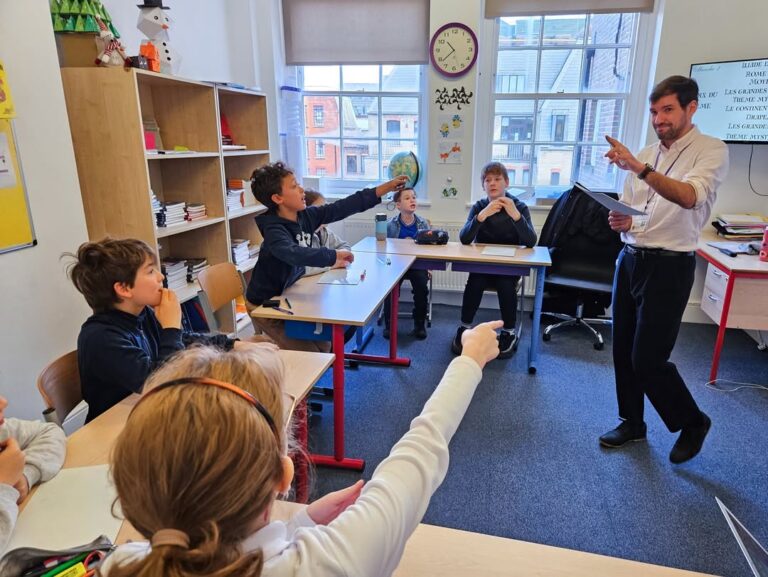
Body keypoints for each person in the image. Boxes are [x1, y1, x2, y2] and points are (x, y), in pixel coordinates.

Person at [99, 320, 501, 577]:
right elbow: (422, 448)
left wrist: (301, 523)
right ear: (283, 475)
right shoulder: (334, 561)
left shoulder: (118, 564)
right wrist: (471, 357)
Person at [600, 75, 729, 464]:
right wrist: (621, 221)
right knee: (623, 349)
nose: (659, 119)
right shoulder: (646, 152)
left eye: (667, 110)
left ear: (691, 108)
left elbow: (689, 197)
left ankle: (692, 422)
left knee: (648, 359)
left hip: (669, 267)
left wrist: (639, 169)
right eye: (654, 111)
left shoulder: (711, 150)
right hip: (631, 260)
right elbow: (635, 211)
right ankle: (632, 422)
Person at [67, 238, 250, 422]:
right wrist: (170, 327)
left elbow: (184, 340)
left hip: (149, 412)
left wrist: (231, 344)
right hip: (114, 429)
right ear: (123, 288)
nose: (160, 277)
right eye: (150, 271)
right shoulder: (101, 338)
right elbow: (162, 384)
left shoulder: (142, 312)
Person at [245, 161, 407, 352]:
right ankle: (273, 361)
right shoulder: (274, 230)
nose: (302, 189)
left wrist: (384, 188)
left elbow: (342, 207)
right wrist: (332, 256)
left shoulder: (305, 216)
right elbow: (292, 254)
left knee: (325, 346)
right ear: (278, 198)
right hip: (266, 305)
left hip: (287, 294)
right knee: (313, 355)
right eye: (294, 186)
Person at [454, 162, 537, 359]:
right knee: (475, 282)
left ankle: (508, 331)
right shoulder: (479, 207)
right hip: (483, 266)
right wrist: (482, 216)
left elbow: (531, 242)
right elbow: (464, 238)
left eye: (497, 179)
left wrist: (516, 216)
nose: (492, 183)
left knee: (505, 284)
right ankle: (464, 327)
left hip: (508, 267)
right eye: (488, 180)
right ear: (483, 186)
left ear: (506, 183)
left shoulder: (520, 206)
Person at [0, 395, 67, 553]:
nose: (4, 401)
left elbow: (50, 431)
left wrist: (24, 475)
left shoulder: (3, 431)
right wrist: (3, 485)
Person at [382, 188, 430, 340]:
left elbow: (428, 248)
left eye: (414, 197)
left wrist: (428, 267)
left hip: (417, 264)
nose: (412, 200)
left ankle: (419, 324)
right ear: (398, 205)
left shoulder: (423, 223)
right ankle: (389, 324)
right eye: (407, 198)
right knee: (390, 288)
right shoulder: (390, 225)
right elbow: (384, 248)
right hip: (396, 265)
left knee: (422, 288)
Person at [301, 189, 352, 277]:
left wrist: (338, 255)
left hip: (321, 278)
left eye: (325, 208)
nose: (324, 212)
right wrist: (331, 263)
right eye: (319, 209)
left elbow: (344, 246)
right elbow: (302, 268)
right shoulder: (301, 235)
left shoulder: (324, 231)